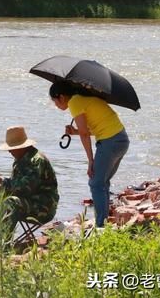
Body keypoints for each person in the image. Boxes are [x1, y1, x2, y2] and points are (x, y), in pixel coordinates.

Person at [49, 81, 130, 228]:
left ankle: (100, 226)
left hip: (110, 142)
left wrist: (90, 160)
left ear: (60, 96)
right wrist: (74, 132)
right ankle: (103, 222)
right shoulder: (83, 99)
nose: (55, 105)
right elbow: (97, 127)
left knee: (95, 182)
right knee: (102, 182)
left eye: (54, 101)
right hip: (121, 139)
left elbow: (85, 134)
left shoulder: (75, 102)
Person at [0, 126, 58, 237]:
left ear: (21, 147)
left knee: (11, 202)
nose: (9, 151)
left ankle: (4, 242)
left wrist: (2, 182)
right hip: (26, 202)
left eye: (12, 148)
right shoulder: (20, 160)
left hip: (43, 207)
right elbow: (16, 186)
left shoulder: (37, 160)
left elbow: (25, 188)